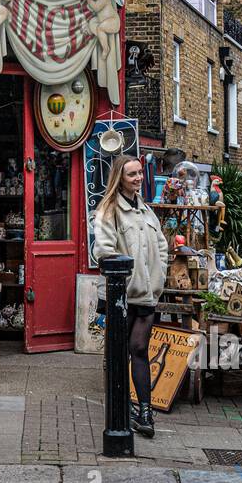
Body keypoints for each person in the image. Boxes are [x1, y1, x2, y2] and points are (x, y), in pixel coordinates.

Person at [93, 155, 167, 439]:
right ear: (119, 178)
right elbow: (103, 251)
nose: (138, 178)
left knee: (139, 349)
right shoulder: (108, 210)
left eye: (139, 173)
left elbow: (162, 247)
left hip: (146, 296)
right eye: (131, 174)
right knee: (118, 354)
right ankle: (122, 408)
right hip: (121, 297)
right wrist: (124, 280)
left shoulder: (146, 211)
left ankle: (145, 411)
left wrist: (157, 279)